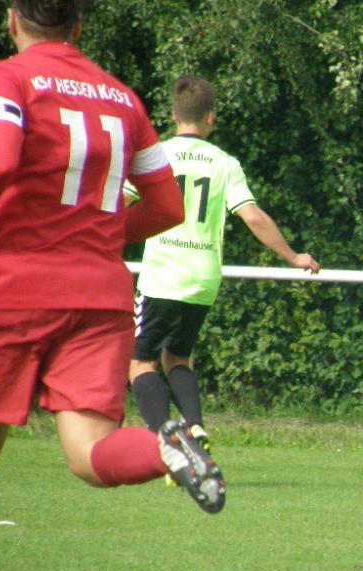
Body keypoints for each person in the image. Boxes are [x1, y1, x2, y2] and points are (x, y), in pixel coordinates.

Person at [0, 0, 225, 571]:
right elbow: (167, 206)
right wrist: (92, 236)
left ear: (12, 19)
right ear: (78, 26)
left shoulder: (4, 76)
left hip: (12, 289)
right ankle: (166, 448)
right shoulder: (123, 99)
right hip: (99, 294)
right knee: (91, 453)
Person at [126, 74, 320, 450]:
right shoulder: (224, 163)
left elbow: (119, 202)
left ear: (173, 115)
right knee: (178, 358)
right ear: (210, 117)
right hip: (203, 279)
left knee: (140, 363)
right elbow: (254, 217)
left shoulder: (156, 155)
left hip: (162, 276)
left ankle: (168, 443)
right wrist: (293, 256)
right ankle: (195, 427)